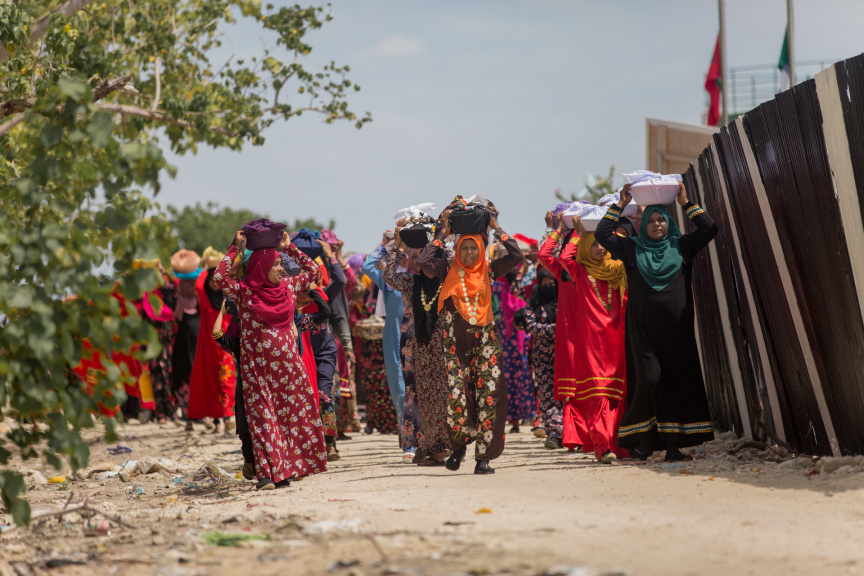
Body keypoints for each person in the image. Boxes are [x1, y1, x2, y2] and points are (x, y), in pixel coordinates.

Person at [595, 181, 718, 461]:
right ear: (643, 225)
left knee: (672, 382)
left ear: (668, 222)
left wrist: (687, 203)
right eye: (650, 220)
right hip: (644, 331)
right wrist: (620, 204)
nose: (656, 224)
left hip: (676, 331)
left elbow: (710, 228)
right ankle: (644, 440)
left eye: (661, 219)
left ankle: (673, 448)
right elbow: (602, 233)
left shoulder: (682, 246)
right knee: (649, 380)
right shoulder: (632, 249)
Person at [214, 231, 327, 490]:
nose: (280, 268)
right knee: (263, 418)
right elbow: (220, 277)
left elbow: (312, 270)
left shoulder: (288, 288)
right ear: (260, 266)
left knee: (287, 419)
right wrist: (235, 248)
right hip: (257, 369)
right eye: (275, 264)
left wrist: (289, 249)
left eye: (279, 263)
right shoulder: (244, 292)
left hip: (289, 369)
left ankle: (284, 471)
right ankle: (267, 474)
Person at [419, 211, 522, 474]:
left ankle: (483, 459)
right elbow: (423, 260)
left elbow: (516, 256)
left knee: (489, 396)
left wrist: (497, 228)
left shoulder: (490, 269)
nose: (467, 253)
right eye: (463, 247)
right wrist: (443, 233)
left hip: (486, 343)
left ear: (481, 248)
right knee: (458, 397)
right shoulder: (447, 269)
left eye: (472, 248)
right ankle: (459, 447)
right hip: (455, 346)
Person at [555, 214, 628, 463]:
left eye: (602, 243)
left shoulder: (618, 269)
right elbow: (564, 257)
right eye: (594, 244)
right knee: (596, 395)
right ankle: (602, 446)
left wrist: (623, 220)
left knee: (614, 395)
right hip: (590, 343)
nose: (599, 248)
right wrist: (577, 233)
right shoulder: (580, 271)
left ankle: (617, 445)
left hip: (615, 339)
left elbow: (630, 246)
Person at [384, 232, 450, 466]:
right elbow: (389, 274)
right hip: (416, 350)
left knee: (440, 400)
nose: (423, 263)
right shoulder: (412, 283)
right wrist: (399, 247)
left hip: (443, 352)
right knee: (418, 399)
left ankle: (439, 448)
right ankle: (422, 445)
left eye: (430, 259)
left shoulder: (448, 284)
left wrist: (444, 234)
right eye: (420, 257)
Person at [362, 232, 419, 463]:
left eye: (409, 253)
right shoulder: (389, 278)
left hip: (419, 338)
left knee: (422, 388)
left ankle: (426, 439)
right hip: (394, 337)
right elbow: (367, 266)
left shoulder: (423, 278)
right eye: (402, 252)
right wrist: (387, 244)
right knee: (400, 389)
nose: (405, 256)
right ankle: (408, 442)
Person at [538, 214, 591, 453]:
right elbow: (544, 255)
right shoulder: (564, 273)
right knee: (573, 390)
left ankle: (593, 435)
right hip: (570, 334)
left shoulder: (598, 270)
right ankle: (575, 435)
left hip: (594, 333)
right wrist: (558, 229)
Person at [514, 265, 564, 449]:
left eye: (553, 283)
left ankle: (570, 433)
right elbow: (532, 327)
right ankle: (555, 433)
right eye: (545, 284)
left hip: (564, 354)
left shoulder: (564, 300)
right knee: (547, 396)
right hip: (543, 358)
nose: (550, 286)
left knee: (566, 395)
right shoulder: (533, 304)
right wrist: (557, 329)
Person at [187, 266, 237, 434]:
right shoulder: (204, 299)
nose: (214, 285)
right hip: (208, 348)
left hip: (225, 347)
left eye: (217, 281)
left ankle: (228, 417)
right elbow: (199, 284)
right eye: (211, 281)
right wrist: (206, 266)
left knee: (227, 381)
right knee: (211, 383)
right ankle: (216, 422)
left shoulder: (227, 300)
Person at [492, 265, 535, 433]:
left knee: (521, 380)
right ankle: (505, 421)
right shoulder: (496, 288)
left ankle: (523, 419)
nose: (515, 275)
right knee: (502, 381)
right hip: (501, 341)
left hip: (519, 342)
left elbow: (526, 308)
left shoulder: (520, 288)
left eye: (517, 271)